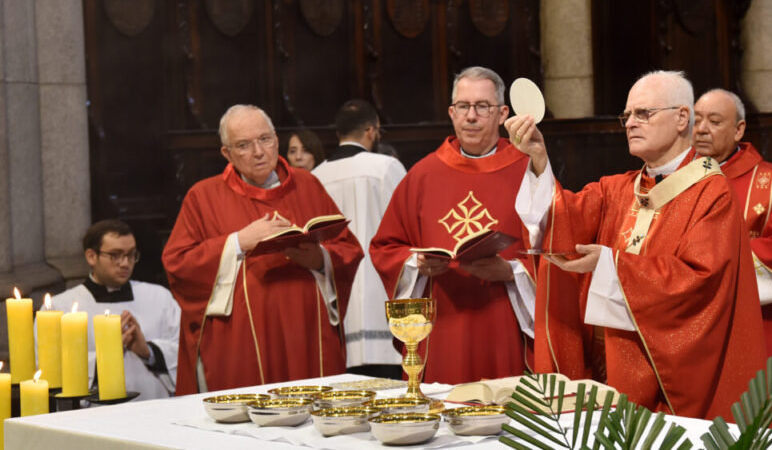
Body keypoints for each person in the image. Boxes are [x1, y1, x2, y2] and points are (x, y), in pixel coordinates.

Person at [505, 70, 765, 420]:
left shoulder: (711, 193)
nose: (630, 123)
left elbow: (701, 282)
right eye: (627, 115)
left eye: (643, 114)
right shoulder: (619, 188)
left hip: (671, 380)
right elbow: (560, 220)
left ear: (681, 118)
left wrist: (611, 266)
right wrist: (538, 158)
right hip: (612, 367)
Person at [162, 105, 364, 394]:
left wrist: (320, 259)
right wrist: (237, 242)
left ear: (276, 140)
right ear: (227, 154)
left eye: (264, 139)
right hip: (239, 344)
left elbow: (347, 248)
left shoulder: (306, 185)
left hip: (304, 334)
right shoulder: (203, 196)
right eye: (244, 145)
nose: (258, 152)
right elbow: (178, 264)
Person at [370, 67, 537, 385]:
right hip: (442, 322)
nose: (471, 116)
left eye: (482, 106)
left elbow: (557, 249)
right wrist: (416, 264)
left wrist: (512, 272)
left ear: (502, 113)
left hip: (503, 320)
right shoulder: (423, 174)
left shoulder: (529, 170)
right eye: (463, 106)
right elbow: (385, 247)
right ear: (451, 112)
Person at [693, 89, 772, 355]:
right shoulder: (673, 178)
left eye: (714, 122)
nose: (702, 129)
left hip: (753, 318)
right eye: (696, 120)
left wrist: (707, 262)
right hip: (687, 320)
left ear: (739, 130)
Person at [313, 99, 407, 378]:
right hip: (382, 295)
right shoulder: (386, 167)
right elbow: (411, 225)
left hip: (338, 300)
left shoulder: (316, 176)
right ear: (371, 130)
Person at [49, 220, 180, 400]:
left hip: (153, 406)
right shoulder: (60, 308)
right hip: (92, 415)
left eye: (131, 255)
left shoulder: (159, 297)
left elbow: (185, 354)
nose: (125, 263)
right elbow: (51, 369)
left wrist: (148, 350)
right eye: (115, 255)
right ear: (91, 256)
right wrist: (107, 353)